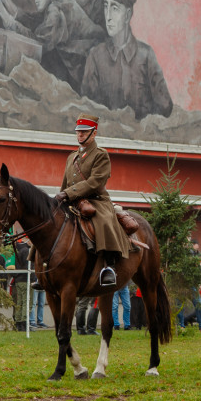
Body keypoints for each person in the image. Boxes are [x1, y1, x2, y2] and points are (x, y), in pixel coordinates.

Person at [80, 0, 173, 118]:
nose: (108, 16)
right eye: (106, 6)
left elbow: (165, 108)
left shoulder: (146, 56)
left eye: (114, 8)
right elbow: (87, 112)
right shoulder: (95, 56)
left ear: (128, 15)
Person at [55, 114, 129, 287]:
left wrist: (68, 193)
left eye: (84, 132)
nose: (80, 135)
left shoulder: (101, 155)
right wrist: (60, 197)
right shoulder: (72, 157)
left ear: (93, 133)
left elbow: (95, 182)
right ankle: (41, 266)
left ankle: (109, 265)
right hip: (72, 199)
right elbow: (66, 182)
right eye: (78, 132)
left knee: (104, 220)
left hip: (96, 199)